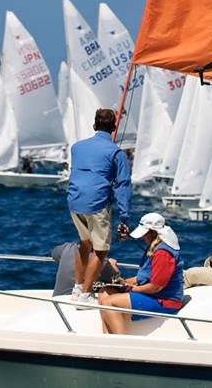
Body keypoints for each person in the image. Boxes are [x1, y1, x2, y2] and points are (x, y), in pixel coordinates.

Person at [67, 109, 132, 304]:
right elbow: (123, 185)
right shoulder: (116, 153)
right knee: (101, 250)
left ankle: (77, 288)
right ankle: (85, 295)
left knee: (85, 243)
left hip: (74, 201)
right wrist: (124, 218)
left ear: (94, 126)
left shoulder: (76, 147)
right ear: (114, 128)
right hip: (96, 203)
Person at [99, 213, 184, 334]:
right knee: (104, 292)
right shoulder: (153, 247)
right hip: (153, 295)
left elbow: (155, 287)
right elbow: (142, 277)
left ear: (153, 232)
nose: (143, 237)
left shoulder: (162, 254)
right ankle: (107, 339)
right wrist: (122, 282)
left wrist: (131, 289)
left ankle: (121, 343)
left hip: (165, 301)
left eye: (144, 234)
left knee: (108, 302)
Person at [49, 242, 119, 297]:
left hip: (57, 299)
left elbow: (54, 254)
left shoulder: (67, 247)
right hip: (78, 301)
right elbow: (117, 280)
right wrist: (113, 265)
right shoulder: (101, 263)